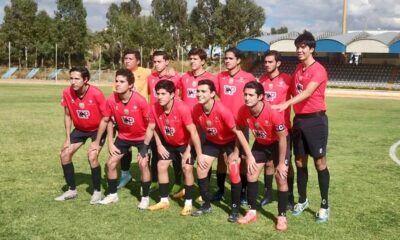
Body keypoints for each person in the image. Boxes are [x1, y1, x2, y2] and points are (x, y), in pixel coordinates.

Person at [272, 30, 330, 223]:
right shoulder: (298, 69)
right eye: (297, 47)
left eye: (303, 47)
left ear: (312, 49)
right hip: (299, 121)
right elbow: (287, 89)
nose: (299, 50)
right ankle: (303, 200)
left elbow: (307, 92)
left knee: (319, 162)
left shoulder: (318, 69)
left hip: (316, 120)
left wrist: (287, 104)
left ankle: (324, 205)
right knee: (299, 162)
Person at [191, 80, 255, 223]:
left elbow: (238, 132)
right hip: (212, 142)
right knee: (201, 169)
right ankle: (206, 205)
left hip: (230, 141)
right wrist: (199, 153)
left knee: (233, 169)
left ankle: (234, 209)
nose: (199, 94)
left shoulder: (222, 110)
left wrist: (242, 153)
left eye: (203, 91)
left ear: (212, 94)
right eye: (198, 91)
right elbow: (196, 132)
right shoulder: (196, 109)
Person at [138, 80, 204, 216]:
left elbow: (193, 132)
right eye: (158, 94)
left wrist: (190, 151)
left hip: (186, 144)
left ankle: (188, 203)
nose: (160, 97)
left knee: (187, 168)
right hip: (168, 143)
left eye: (163, 94)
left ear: (172, 94)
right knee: (161, 165)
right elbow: (152, 127)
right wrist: (148, 146)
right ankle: (164, 200)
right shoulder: (155, 107)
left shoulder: (182, 108)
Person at [89, 69, 151, 208]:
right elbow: (107, 121)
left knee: (143, 164)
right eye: (116, 81)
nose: (117, 84)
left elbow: (150, 126)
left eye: (122, 82)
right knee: (111, 163)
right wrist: (107, 142)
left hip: (142, 137)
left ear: (130, 85)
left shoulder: (140, 101)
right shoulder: (111, 99)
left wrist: (147, 146)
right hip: (123, 137)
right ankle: (112, 195)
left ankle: (145, 197)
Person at [236, 81, 289, 231]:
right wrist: (248, 154)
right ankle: (252, 212)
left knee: (281, 177)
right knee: (251, 173)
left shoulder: (273, 113)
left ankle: (282, 216)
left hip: (278, 143)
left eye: (251, 95)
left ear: (260, 97)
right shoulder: (243, 110)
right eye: (245, 94)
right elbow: (238, 129)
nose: (247, 98)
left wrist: (282, 163)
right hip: (260, 143)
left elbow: (283, 138)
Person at [55, 66, 105, 204]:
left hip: (98, 128)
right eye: (71, 78)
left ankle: (97, 192)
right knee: (64, 154)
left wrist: (97, 141)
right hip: (80, 128)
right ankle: (72, 190)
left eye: (77, 79)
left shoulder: (96, 94)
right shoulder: (66, 92)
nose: (73, 82)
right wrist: (67, 139)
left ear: (85, 80)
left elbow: (106, 118)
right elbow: (67, 115)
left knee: (92, 156)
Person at [213, 47, 256, 204]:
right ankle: (220, 190)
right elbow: (212, 92)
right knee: (221, 159)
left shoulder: (248, 77)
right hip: (222, 126)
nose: (227, 61)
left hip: (240, 126)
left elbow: (254, 98)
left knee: (242, 159)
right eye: (226, 58)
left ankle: (243, 191)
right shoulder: (220, 77)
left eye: (230, 58)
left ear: (238, 60)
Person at [258, 50, 295, 210]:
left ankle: (289, 195)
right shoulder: (262, 80)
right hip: (266, 130)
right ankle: (267, 194)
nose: (267, 64)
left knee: (286, 165)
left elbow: (298, 97)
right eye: (265, 62)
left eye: (270, 62)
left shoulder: (288, 80)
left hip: (283, 130)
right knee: (268, 163)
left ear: (278, 63)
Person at [117, 49, 152, 190]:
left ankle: (146, 180)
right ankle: (125, 174)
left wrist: (172, 70)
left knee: (145, 151)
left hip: (143, 117)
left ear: (138, 60)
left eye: (130, 58)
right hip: (126, 116)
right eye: (125, 58)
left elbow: (161, 71)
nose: (127, 61)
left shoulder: (146, 72)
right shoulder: (121, 76)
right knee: (125, 146)